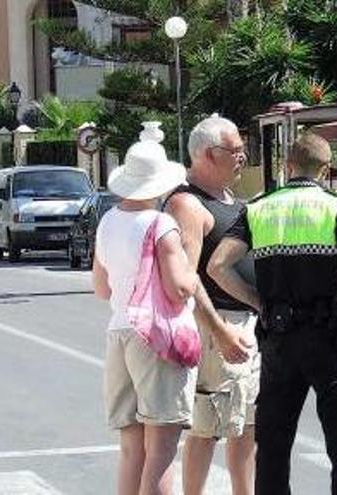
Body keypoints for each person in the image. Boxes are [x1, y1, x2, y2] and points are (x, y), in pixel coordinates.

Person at [207, 132, 337, 494]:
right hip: (331, 340)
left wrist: (258, 302)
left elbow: (217, 266)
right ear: (326, 169)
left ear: (287, 166)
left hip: (280, 340)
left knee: (273, 443)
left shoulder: (257, 208)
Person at [92, 131, 198, 495]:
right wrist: (191, 269)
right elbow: (179, 288)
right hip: (154, 338)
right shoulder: (160, 225)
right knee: (162, 448)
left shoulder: (107, 222)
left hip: (119, 331)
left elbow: (101, 288)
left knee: (131, 448)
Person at [163, 115, 259, 495]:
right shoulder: (188, 203)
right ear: (207, 154)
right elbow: (187, 279)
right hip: (218, 328)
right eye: (234, 150)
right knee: (209, 425)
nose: (242, 156)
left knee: (247, 424)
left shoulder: (232, 200)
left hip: (247, 325)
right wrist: (219, 330)